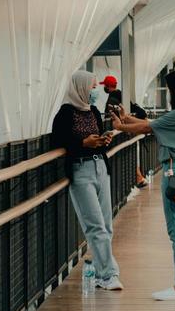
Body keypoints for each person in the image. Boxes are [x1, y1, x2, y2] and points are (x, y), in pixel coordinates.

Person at [111, 69, 175, 301]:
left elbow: (147, 128)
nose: (169, 94)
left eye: (171, 89)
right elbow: (153, 123)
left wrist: (120, 127)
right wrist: (126, 119)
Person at [51, 70, 123, 291]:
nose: (95, 91)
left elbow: (96, 139)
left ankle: (102, 272)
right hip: (80, 171)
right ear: (81, 87)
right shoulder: (65, 113)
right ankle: (109, 274)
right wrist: (83, 143)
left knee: (106, 225)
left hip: (100, 167)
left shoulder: (92, 110)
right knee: (95, 226)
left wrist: (104, 140)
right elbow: (59, 141)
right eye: (92, 87)